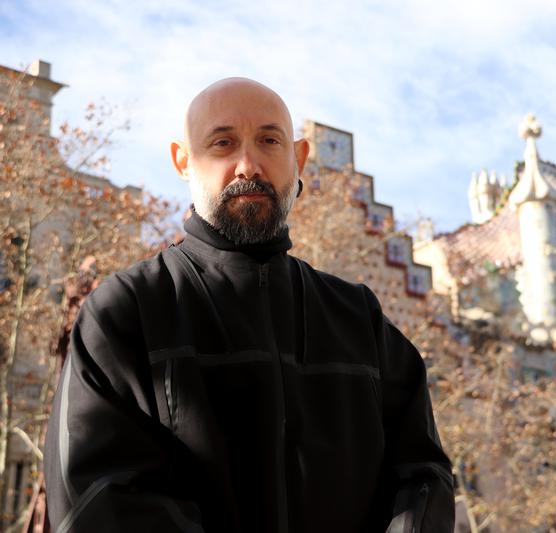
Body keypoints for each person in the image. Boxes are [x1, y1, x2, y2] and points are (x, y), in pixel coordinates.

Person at [44, 78, 455, 532]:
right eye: (223, 143)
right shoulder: (126, 313)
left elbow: (424, 478)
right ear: (184, 161)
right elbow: (97, 498)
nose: (248, 165)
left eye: (268, 140)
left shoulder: (359, 319)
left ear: (297, 159)